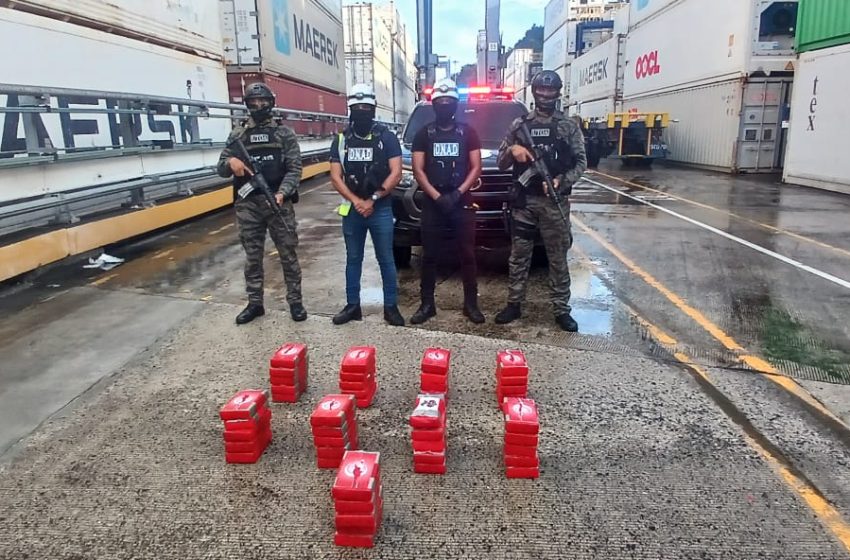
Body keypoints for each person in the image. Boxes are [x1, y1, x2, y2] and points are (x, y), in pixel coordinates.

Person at [494, 70, 587, 332]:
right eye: (541, 91)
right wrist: (513, 150)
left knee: (557, 257)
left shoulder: (568, 126)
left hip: (553, 202)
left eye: (551, 91)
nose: (546, 95)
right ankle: (514, 304)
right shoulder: (519, 125)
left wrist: (561, 181)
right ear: (534, 92)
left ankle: (561, 309)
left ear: (558, 93)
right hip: (525, 203)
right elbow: (501, 163)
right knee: (519, 256)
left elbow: (581, 163)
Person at [217, 82, 306, 325]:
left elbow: (295, 168)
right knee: (252, 256)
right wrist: (231, 163)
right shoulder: (237, 135)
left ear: (271, 103)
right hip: (248, 204)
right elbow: (221, 168)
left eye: (263, 102)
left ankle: (295, 302)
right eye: (253, 103)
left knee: (288, 253)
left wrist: (282, 192)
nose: (259, 107)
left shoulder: (283, 133)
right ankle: (255, 303)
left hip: (278, 203)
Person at [329, 84, 405, 326]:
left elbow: (396, 172)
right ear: (350, 109)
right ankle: (353, 306)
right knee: (353, 259)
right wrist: (357, 202)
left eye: (366, 107)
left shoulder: (387, 137)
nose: (361, 111)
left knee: (386, 259)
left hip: (379, 208)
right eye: (357, 107)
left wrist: (372, 200)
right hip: (352, 209)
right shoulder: (341, 140)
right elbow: (335, 176)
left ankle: (390, 307)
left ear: (373, 109)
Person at [409, 78, 484, 325]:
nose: (444, 105)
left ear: (455, 104)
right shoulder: (424, 134)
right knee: (429, 255)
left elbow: (476, 167)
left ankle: (471, 304)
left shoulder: (468, 132)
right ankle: (427, 304)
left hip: (461, 201)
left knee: (467, 254)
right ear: (434, 104)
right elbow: (418, 169)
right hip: (434, 202)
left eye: (448, 101)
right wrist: (437, 196)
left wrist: (458, 193)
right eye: (439, 102)